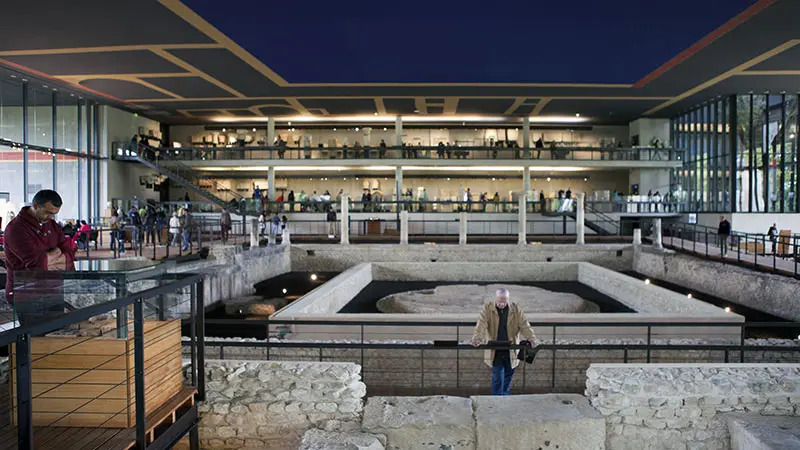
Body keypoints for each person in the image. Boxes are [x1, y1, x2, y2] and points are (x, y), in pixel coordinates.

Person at [4, 190, 75, 307]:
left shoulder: (52, 224)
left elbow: (70, 254)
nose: (51, 217)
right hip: (26, 293)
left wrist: (47, 259)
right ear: (36, 206)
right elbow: (37, 264)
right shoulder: (16, 229)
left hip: (52, 290)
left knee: (59, 325)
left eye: (54, 214)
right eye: (47, 212)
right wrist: (57, 255)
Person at [471, 288, 536, 396]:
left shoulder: (516, 309)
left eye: (504, 301)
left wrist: (531, 338)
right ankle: (496, 401)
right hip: (495, 349)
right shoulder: (488, 309)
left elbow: (524, 325)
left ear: (508, 299)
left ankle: (504, 398)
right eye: (500, 301)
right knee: (498, 376)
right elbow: (481, 324)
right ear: (495, 298)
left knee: (508, 376)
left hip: (511, 348)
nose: (502, 303)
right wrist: (477, 338)